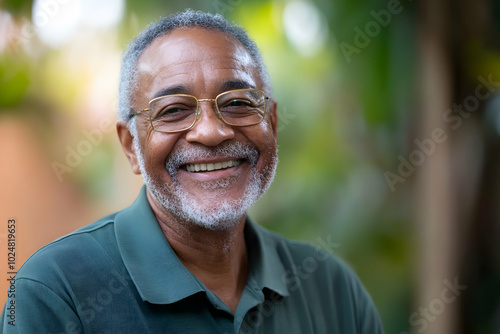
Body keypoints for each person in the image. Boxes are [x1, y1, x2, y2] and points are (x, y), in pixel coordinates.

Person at [1, 9, 384, 333]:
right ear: (131, 146)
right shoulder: (55, 293)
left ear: (272, 123)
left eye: (236, 103)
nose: (212, 131)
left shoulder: (333, 291)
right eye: (173, 110)